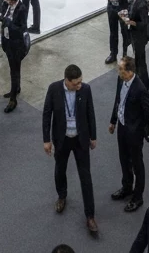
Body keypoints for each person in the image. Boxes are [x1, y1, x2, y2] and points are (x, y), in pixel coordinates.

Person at [42, 63, 98, 235]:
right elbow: (47, 114)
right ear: (67, 81)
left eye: (81, 82)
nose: (79, 85)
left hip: (80, 140)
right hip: (62, 139)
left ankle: (90, 216)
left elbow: (91, 113)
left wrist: (93, 136)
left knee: (86, 178)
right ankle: (62, 196)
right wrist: (46, 140)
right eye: (76, 83)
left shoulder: (86, 90)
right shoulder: (53, 89)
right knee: (60, 170)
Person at [108, 55, 149, 212]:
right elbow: (118, 100)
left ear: (129, 71)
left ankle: (138, 197)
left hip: (134, 133)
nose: (118, 71)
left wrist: (138, 129)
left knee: (137, 164)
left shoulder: (140, 89)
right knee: (123, 159)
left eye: (120, 69)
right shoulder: (121, 80)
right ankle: (126, 187)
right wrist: (113, 121)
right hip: (121, 127)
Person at [0, 0, 27, 112]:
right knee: (13, 69)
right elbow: (2, 14)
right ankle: (16, 88)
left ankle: (13, 99)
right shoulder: (5, 5)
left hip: (17, 45)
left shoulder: (22, 9)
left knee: (14, 71)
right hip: (7, 42)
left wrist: (7, 22)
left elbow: (21, 29)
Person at [123, 0, 149, 89]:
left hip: (140, 37)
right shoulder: (132, 0)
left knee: (141, 61)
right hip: (134, 35)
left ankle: (145, 85)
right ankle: (139, 82)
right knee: (138, 60)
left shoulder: (141, 4)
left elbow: (144, 23)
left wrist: (131, 22)